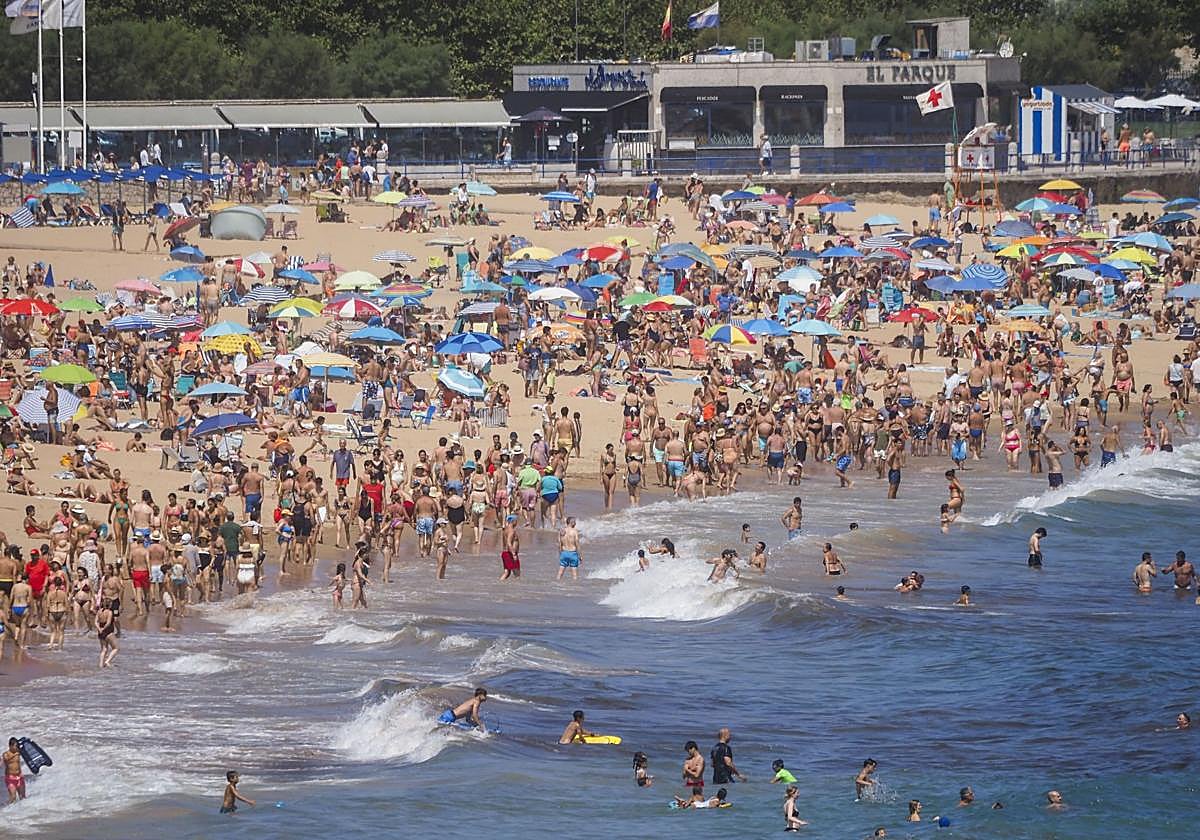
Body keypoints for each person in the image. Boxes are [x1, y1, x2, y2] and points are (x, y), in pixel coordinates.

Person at [556, 516, 582, 581]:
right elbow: (577, 544)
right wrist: (580, 556)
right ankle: (574, 588)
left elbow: (559, 543)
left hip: (564, 553)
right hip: (573, 553)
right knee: (574, 575)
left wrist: (560, 553)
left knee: (560, 573)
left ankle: (556, 585)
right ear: (572, 523)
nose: (575, 524)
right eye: (575, 522)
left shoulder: (561, 531)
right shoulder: (574, 531)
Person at [4, 737, 26, 804]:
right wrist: (16, 754)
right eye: (16, 746)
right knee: (13, 797)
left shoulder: (18, 752)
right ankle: (6, 809)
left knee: (22, 797)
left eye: (17, 746)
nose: (17, 747)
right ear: (10, 746)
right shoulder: (6, 754)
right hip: (10, 778)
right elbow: (6, 759)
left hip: (19, 777)